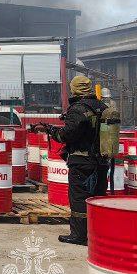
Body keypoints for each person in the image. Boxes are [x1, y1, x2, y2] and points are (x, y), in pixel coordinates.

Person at [33, 75, 108, 246]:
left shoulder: (78, 109)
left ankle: (79, 236)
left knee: (79, 198)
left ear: (74, 89)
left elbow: (67, 135)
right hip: (101, 162)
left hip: (82, 163)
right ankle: (98, 233)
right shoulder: (103, 107)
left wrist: (52, 131)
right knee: (97, 198)